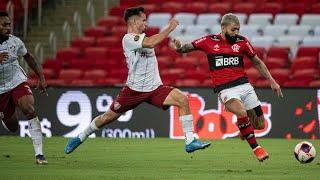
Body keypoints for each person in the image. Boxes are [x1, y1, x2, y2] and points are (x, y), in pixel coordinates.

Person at [64, 7, 210, 154]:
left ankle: (190, 141)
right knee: (107, 117)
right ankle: (80, 137)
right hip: (133, 90)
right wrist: (170, 28)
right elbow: (151, 43)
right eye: (143, 20)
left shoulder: (144, 38)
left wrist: (176, 46)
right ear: (134, 21)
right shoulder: (128, 39)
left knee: (182, 99)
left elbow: (155, 43)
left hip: (154, 88)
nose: (146, 24)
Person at [172, 13, 283, 162]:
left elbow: (257, 62)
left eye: (238, 29)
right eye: (233, 30)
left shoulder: (242, 42)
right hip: (226, 90)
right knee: (241, 112)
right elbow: (186, 48)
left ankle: (243, 128)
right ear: (223, 27)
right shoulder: (208, 41)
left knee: (260, 124)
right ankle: (257, 149)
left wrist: (272, 81)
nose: (236, 33)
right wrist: (179, 47)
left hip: (245, 86)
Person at [0, 12, 48, 164]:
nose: (8, 27)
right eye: (4, 25)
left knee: (29, 109)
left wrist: (41, 78)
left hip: (17, 81)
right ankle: (5, 116)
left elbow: (29, 57)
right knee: (13, 126)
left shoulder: (15, 42)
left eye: (9, 24)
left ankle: (39, 155)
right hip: (1, 90)